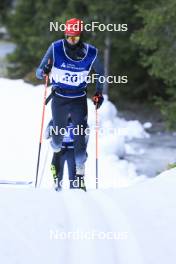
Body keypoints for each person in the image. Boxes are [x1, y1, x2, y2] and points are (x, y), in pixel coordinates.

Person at [36, 18, 104, 181]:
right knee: (57, 144)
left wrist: (99, 93)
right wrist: (44, 71)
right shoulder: (55, 47)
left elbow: (101, 75)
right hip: (59, 98)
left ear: (81, 36)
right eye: (68, 37)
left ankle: (80, 162)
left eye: (75, 38)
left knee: (79, 149)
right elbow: (39, 72)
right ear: (65, 34)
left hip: (78, 99)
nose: (71, 41)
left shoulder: (91, 52)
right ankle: (53, 127)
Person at [46, 116, 87, 191]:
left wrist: (83, 149)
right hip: (60, 149)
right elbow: (46, 135)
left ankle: (76, 192)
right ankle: (57, 188)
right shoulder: (56, 117)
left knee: (73, 176)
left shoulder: (77, 116)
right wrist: (51, 130)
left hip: (72, 149)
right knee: (57, 172)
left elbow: (85, 133)